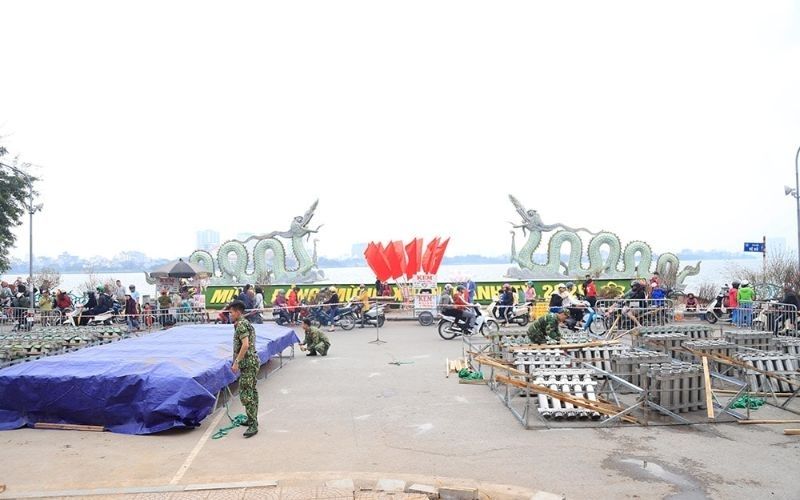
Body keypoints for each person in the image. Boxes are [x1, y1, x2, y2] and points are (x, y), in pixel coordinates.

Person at [228, 300, 259, 438]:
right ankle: (252, 419)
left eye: (231, 312)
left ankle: (253, 424)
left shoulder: (241, 325)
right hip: (251, 363)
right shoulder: (244, 323)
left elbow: (245, 345)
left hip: (248, 363)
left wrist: (236, 362)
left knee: (246, 394)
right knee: (252, 391)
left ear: (238, 312)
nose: (230, 315)